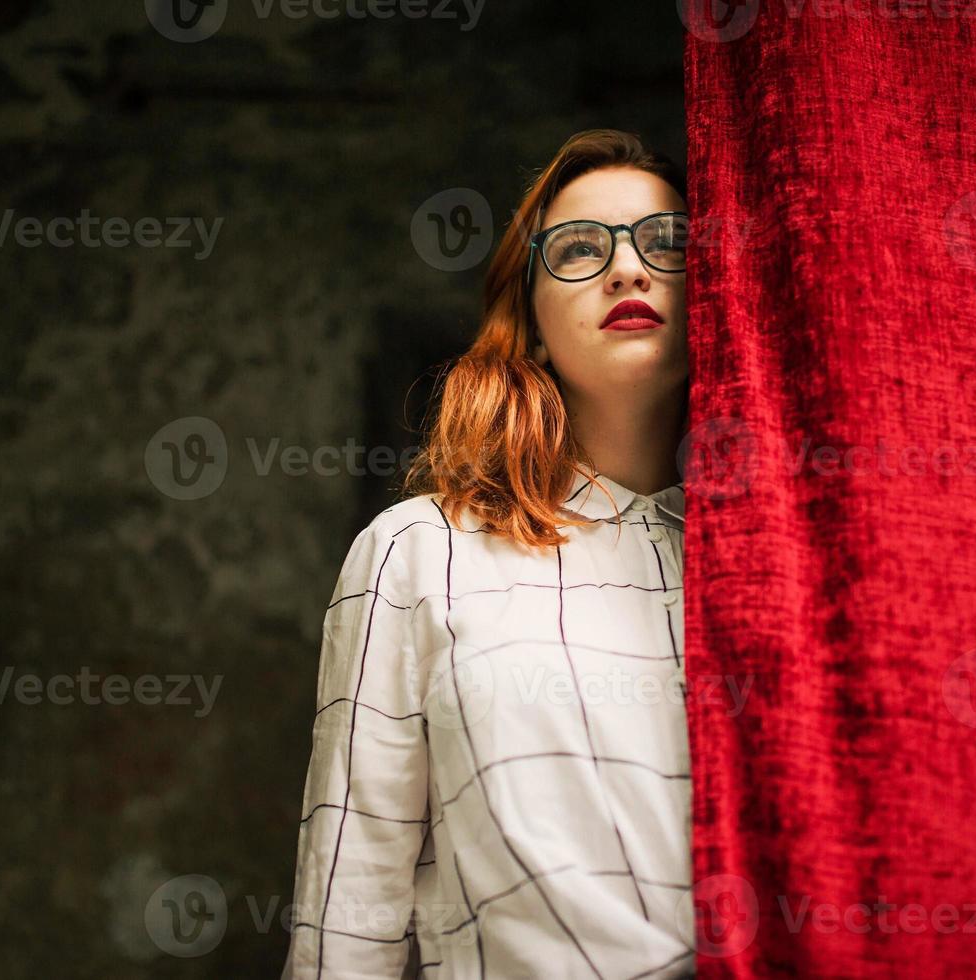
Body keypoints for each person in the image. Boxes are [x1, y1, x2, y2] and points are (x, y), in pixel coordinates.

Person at [281, 129, 693, 979]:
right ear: (532, 324)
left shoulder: (801, 566)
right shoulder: (419, 552)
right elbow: (349, 910)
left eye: (666, 243)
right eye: (580, 248)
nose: (627, 270)